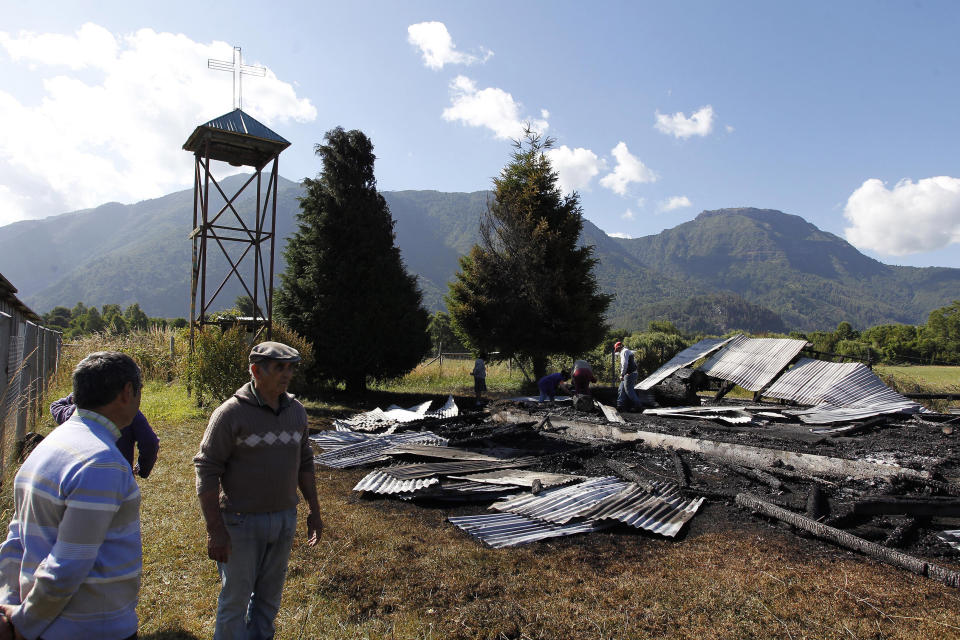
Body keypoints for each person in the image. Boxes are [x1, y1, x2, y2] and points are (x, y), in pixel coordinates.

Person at [0, 351, 144, 640]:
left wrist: (8, 604)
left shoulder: (47, 446)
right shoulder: (101, 461)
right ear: (127, 392)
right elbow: (69, 563)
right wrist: (24, 624)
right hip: (90, 628)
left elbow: (17, 537)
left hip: (40, 620)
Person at [194, 341, 322, 640]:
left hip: (283, 519)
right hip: (239, 523)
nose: (287, 375)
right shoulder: (230, 414)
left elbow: (305, 462)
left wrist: (314, 511)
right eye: (279, 368)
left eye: (290, 368)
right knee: (235, 601)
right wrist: (215, 529)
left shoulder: (296, 412)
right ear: (256, 370)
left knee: (268, 600)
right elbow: (207, 469)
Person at [50, 393, 160, 478]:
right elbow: (150, 442)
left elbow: (56, 406)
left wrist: (75, 404)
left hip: (80, 479)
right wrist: (143, 469)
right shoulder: (128, 411)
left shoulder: (78, 410)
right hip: (120, 480)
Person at [614, 341, 642, 411]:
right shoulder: (626, 351)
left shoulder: (624, 351)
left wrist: (622, 374)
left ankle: (638, 406)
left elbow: (625, 363)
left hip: (629, 374)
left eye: (617, 350)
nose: (618, 351)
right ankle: (620, 405)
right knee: (621, 389)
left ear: (619, 347)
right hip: (630, 373)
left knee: (629, 390)